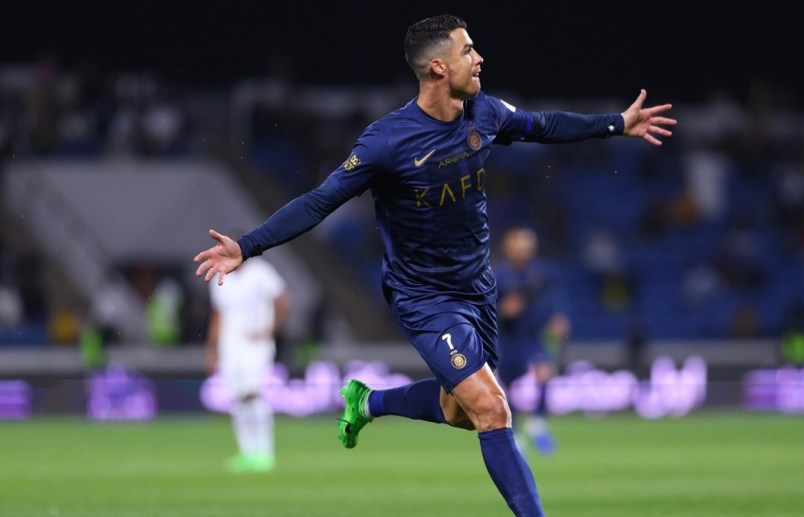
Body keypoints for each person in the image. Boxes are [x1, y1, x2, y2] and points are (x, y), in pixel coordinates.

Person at [194, 14, 675, 515]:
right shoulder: (387, 141)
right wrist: (247, 246)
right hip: (424, 296)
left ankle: (369, 402)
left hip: (478, 289)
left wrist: (616, 123)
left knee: (459, 411)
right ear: (440, 68)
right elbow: (320, 200)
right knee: (493, 409)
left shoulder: (484, 113)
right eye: (468, 50)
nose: (480, 58)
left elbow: (545, 125)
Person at [205, 256, 290, 473]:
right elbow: (218, 315)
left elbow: (283, 300)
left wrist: (270, 330)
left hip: (255, 346)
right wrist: (212, 349)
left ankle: (264, 453)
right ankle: (247, 452)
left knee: (253, 394)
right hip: (229, 348)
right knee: (238, 399)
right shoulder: (220, 276)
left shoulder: (261, 272)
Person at [495, 227, 569, 456]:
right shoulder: (498, 275)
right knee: (507, 385)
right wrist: (502, 310)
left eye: (527, 246)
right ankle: (515, 430)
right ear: (508, 248)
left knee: (544, 373)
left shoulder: (543, 271)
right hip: (508, 337)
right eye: (519, 246)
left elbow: (557, 295)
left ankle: (537, 422)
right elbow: (485, 307)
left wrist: (559, 316)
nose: (523, 251)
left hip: (534, 335)